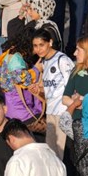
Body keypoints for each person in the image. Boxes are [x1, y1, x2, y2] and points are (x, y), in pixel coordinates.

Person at [32, 28, 76, 159]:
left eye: (41, 45)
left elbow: (72, 85)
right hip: (51, 112)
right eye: (35, 46)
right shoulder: (44, 61)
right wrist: (38, 90)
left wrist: (70, 110)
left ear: (50, 42)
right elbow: (50, 89)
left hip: (63, 112)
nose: (38, 49)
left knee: (62, 153)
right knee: (52, 154)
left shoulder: (62, 60)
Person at [0, 33, 43, 124]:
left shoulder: (11, 53)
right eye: (35, 46)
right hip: (22, 112)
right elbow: (21, 78)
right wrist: (36, 69)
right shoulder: (15, 59)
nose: (37, 50)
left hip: (13, 109)